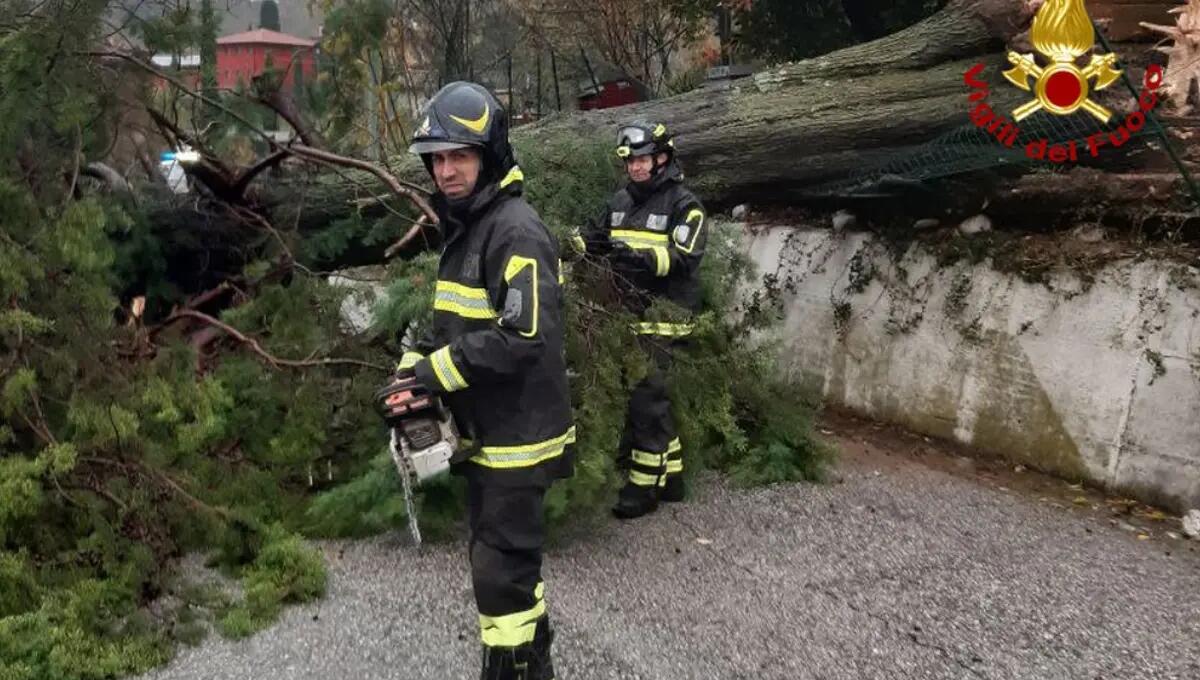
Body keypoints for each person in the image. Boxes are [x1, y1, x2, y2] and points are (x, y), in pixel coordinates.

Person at [377, 81, 572, 680]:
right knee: (505, 562)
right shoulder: (469, 227)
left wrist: (436, 372)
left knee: (500, 567)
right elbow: (460, 327)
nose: (445, 170)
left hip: (519, 436)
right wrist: (414, 369)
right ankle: (529, 659)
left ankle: (512, 668)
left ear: (488, 156)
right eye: (437, 158)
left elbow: (524, 338)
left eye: (458, 156)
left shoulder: (515, 232)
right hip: (489, 431)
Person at [574, 120, 707, 520]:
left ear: (662, 158)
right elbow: (595, 238)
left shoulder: (686, 206)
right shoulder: (620, 202)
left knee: (647, 402)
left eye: (643, 159)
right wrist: (563, 243)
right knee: (648, 399)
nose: (635, 167)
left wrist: (644, 260)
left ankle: (644, 487)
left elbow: (685, 257)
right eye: (631, 161)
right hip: (628, 315)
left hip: (664, 318)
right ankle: (673, 478)